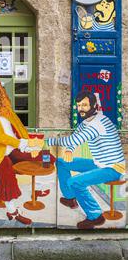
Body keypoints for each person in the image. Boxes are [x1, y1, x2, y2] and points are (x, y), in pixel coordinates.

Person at [0, 81, 54, 225]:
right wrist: (23, 144)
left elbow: (20, 129)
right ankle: (12, 211)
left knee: (47, 156)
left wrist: (31, 145)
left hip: (15, 149)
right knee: (6, 176)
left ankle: (38, 188)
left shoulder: (6, 111)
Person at [46, 91, 125, 229]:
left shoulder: (98, 123)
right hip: (98, 163)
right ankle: (70, 198)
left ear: (93, 105)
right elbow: (76, 138)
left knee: (76, 182)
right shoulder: (86, 123)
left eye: (84, 105)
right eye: (79, 105)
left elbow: (73, 139)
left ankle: (95, 216)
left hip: (113, 168)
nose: (81, 108)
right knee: (61, 162)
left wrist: (45, 140)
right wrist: (70, 149)